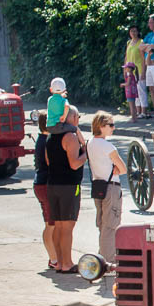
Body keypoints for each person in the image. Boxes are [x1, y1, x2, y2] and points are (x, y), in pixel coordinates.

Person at [46, 106, 87, 273]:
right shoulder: (69, 137)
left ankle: (60, 262)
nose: (78, 119)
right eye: (77, 116)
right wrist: (87, 154)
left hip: (53, 184)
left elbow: (49, 162)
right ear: (72, 118)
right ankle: (67, 263)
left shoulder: (51, 136)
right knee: (67, 227)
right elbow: (75, 163)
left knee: (58, 226)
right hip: (69, 186)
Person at [87, 112, 126, 262]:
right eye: (110, 125)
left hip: (98, 186)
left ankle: (102, 254)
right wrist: (116, 168)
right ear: (101, 126)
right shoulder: (108, 146)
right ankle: (108, 259)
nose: (113, 128)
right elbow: (123, 169)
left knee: (102, 224)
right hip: (111, 187)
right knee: (111, 225)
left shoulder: (90, 143)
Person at [32, 113, 57, 270]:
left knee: (51, 224)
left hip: (41, 184)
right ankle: (53, 258)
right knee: (50, 224)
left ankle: (54, 256)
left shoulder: (42, 139)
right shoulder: (46, 141)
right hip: (44, 184)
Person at [124, 24, 145, 118]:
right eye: (131, 31)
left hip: (138, 69)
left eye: (135, 31)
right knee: (133, 91)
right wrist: (125, 69)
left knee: (141, 90)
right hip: (130, 70)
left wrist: (144, 71)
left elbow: (142, 57)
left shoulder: (141, 42)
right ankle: (136, 111)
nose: (133, 33)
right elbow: (126, 56)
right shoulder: (129, 42)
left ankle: (143, 111)